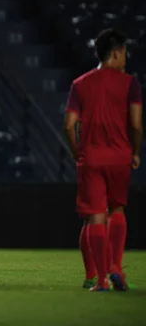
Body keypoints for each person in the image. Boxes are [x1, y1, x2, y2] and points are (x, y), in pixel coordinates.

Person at [64, 28, 142, 292]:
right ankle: (116, 267)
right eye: (125, 54)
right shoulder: (129, 83)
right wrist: (135, 150)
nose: (126, 59)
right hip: (120, 157)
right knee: (117, 210)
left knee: (95, 217)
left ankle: (100, 280)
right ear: (117, 53)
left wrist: (77, 152)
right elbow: (136, 122)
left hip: (92, 158)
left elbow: (69, 125)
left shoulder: (80, 84)